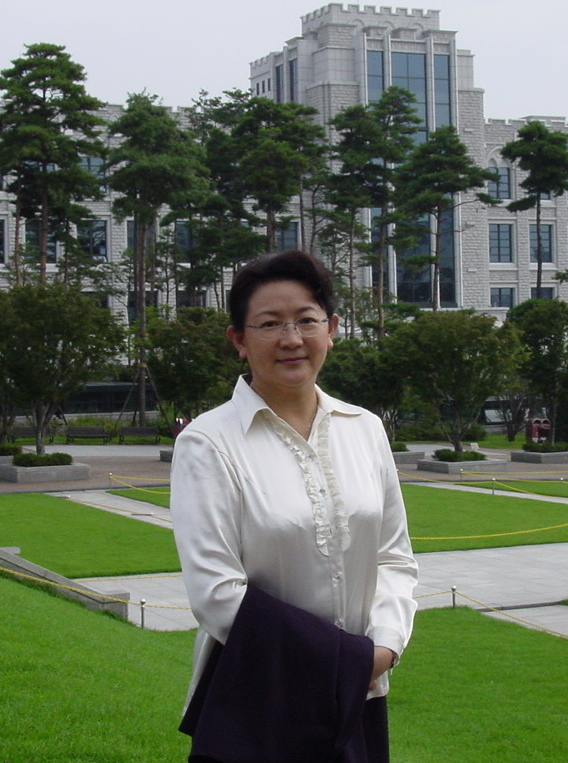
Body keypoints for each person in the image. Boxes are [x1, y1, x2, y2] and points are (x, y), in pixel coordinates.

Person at [170, 251, 418, 762]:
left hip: (360, 692)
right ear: (239, 340)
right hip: (259, 695)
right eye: (269, 324)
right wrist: (346, 661)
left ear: (331, 329)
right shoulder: (208, 442)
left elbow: (393, 556)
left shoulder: (365, 429)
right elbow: (216, 593)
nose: (291, 339)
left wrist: (384, 648)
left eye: (306, 320)